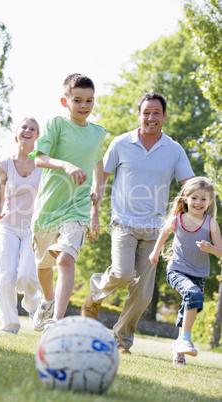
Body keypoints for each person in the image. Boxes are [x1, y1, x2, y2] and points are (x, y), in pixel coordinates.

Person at [81, 92, 195, 354]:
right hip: (124, 223)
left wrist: (193, 209)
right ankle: (94, 298)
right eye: (146, 112)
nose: (151, 117)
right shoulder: (121, 143)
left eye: (156, 113)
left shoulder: (174, 150)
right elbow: (101, 178)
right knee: (121, 273)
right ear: (139, 114)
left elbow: (188, 184)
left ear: (164, 116)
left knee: (143, 294)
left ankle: (122, 341)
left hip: (156, 229)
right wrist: (94, 213)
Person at [29, 73, 106, 332]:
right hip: (48, 208)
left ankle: (57, 321)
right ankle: (47, 301)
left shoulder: (97, 133)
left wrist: (97, 192)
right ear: (65, 101)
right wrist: (66, 165)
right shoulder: (56, 125)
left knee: (65, 259)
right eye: (77, 100)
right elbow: (39, 158)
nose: (84, 106)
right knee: (43, 267)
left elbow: (98, 161)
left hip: (78, 207)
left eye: (89, 100)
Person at [149, 177, 222, 365]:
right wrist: (155, 252)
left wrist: (211, 249)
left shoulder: (211, 223)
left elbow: (220, 252)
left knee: (189, 307)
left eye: (203, 199)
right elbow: (164, 234)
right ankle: (186, 340)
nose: (198, 203)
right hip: (177, 270)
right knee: (192, 293)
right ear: (185, 198)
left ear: (210, 201)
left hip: (199, 273)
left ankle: (179, 351)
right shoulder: (177, 219)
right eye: (194, 198)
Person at [0, 117, 42, 334]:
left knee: (27, 275)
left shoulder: (42, 163)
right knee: (5, 276)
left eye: (33, 128)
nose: (27, 130)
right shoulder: (5, 164)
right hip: (8, 226)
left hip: (33, 228)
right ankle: (10, 324)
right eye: (24, 127)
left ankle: (32, 305)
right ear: (16, 133)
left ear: (37, 136)